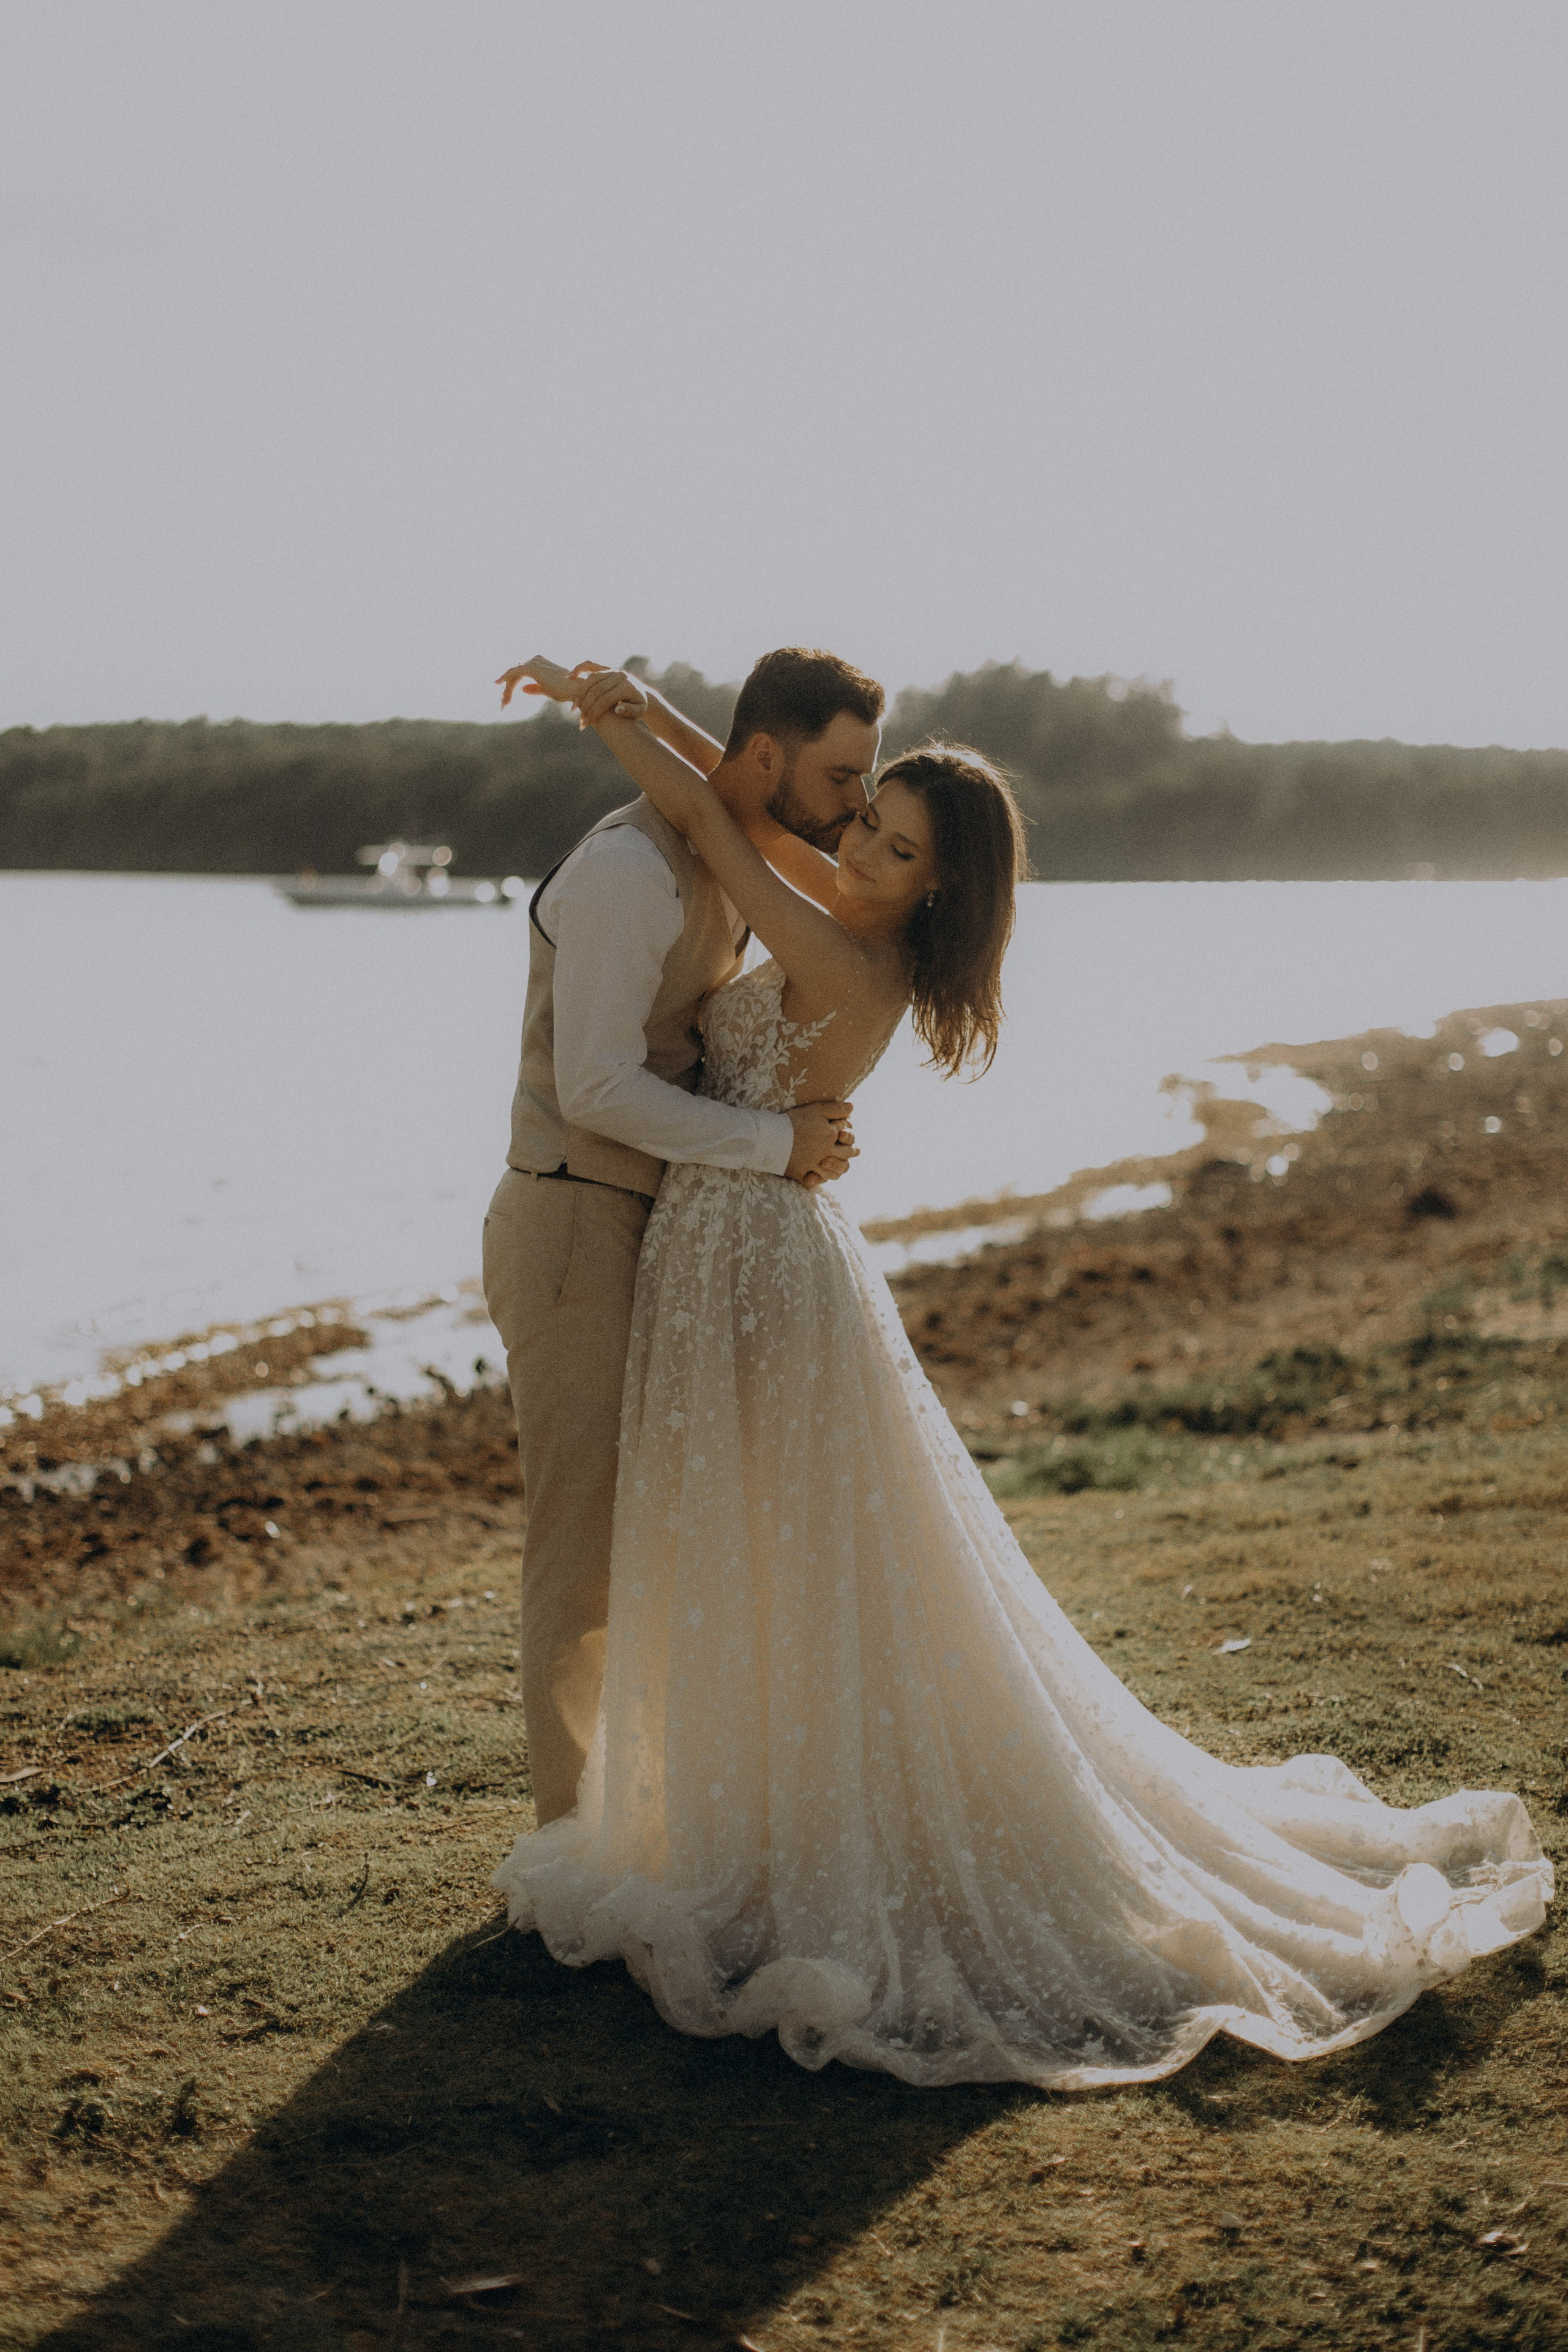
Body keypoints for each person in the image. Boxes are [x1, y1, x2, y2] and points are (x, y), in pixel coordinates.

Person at [494, 656, 1552, 2093]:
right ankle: (736, 1808)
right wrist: (619, 702)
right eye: (862, 815)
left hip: (751, 1245)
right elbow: (735, 791)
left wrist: (624, 721)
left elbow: (727, 819)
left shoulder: (837, 940)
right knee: (748, 1538)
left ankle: (772, 1826)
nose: (859, 838)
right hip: (722, 1243)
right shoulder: (841, 901)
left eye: (894, 840)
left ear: (936, 884)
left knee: (785, 1543)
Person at [484, 647, 885, 1827]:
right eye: (842, 772)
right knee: (581, 1553)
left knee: (667, 1533)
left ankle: (652, 1809)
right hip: (570, 1220)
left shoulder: (719, 827)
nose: (858, 801)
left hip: (653, 1226)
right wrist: (779, 1146)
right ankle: (571, 1843)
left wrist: (616, 696)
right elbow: (598, 1087)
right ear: (769, 758)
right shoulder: (627, 871)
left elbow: (717, 780)